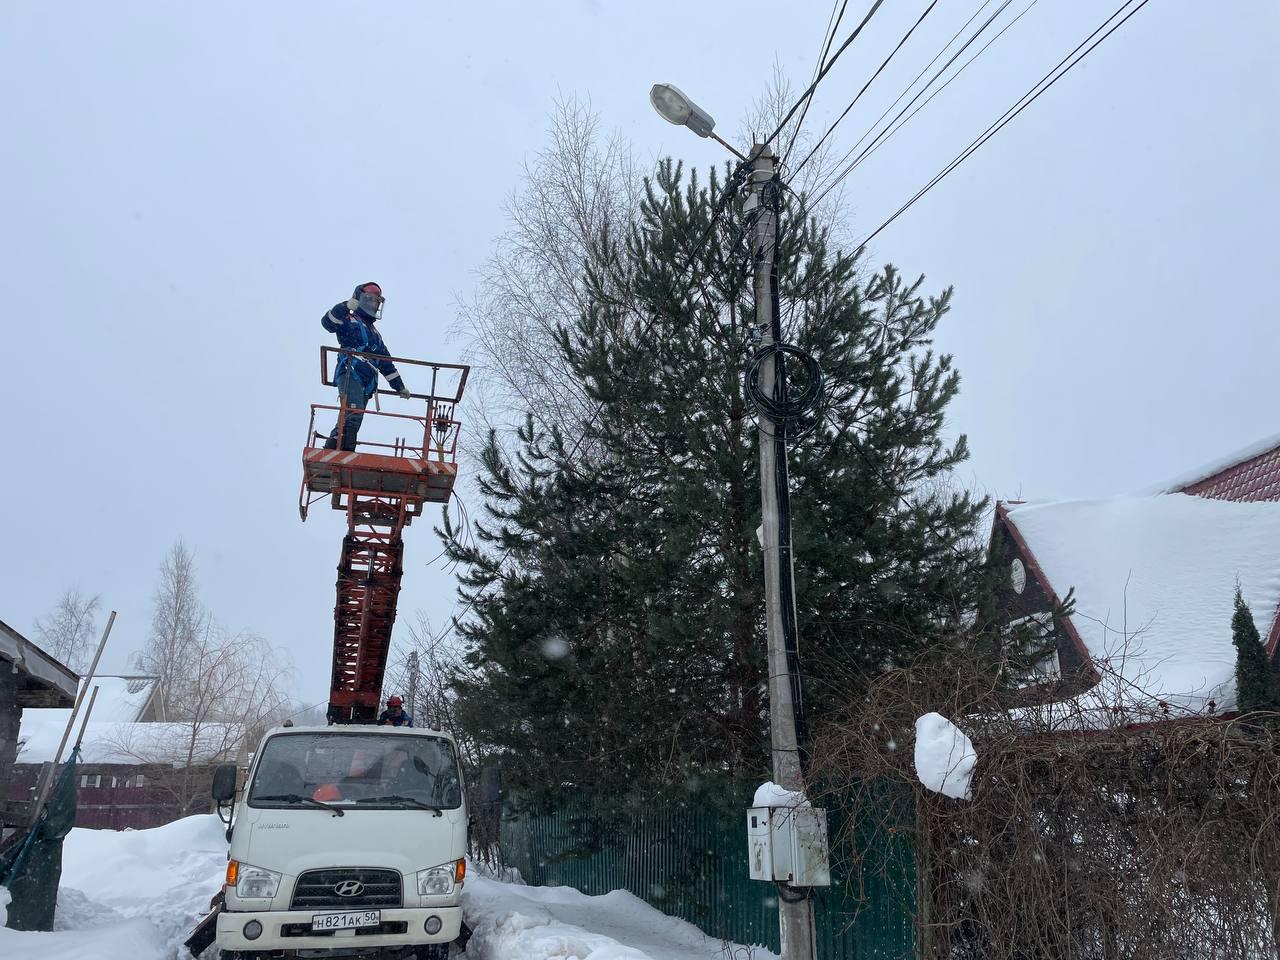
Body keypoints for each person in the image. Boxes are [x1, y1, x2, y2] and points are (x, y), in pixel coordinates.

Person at [320, 282, 411, 451]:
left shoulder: (375, 334)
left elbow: (386, 363)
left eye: (377, 301)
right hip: (350, 371)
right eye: (371, 299)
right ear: (360, 298)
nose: (374, 304)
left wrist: (400, 387)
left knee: (353, 414)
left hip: (367, 380)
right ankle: (345, 450)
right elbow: (327, 323)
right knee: (352, 412)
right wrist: (345, 306)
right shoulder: (348, 320)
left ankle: (332, 445)